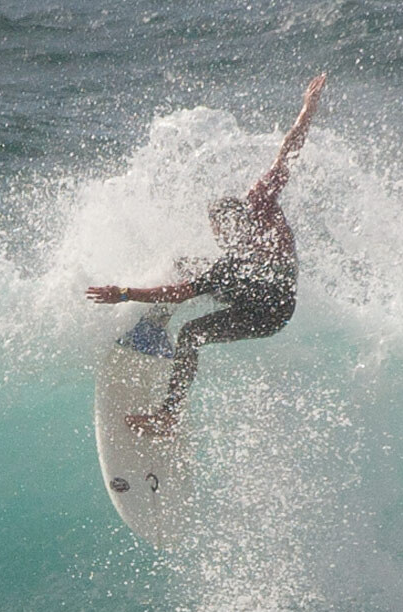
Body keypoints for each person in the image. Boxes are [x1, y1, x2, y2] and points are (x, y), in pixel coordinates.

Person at [87, 73, 327, 437]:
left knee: (192, 333)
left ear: (237, 225)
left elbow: (181, 293)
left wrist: (123, 293)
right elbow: (288, 152)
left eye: (223, 233)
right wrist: (308, 108)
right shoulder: (259, 202)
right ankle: (153, 327)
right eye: (217, 232)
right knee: (183, 263)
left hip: (271, 313)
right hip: (260, 288)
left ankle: (169, 416)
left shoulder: (233, 264)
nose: (220, 238)